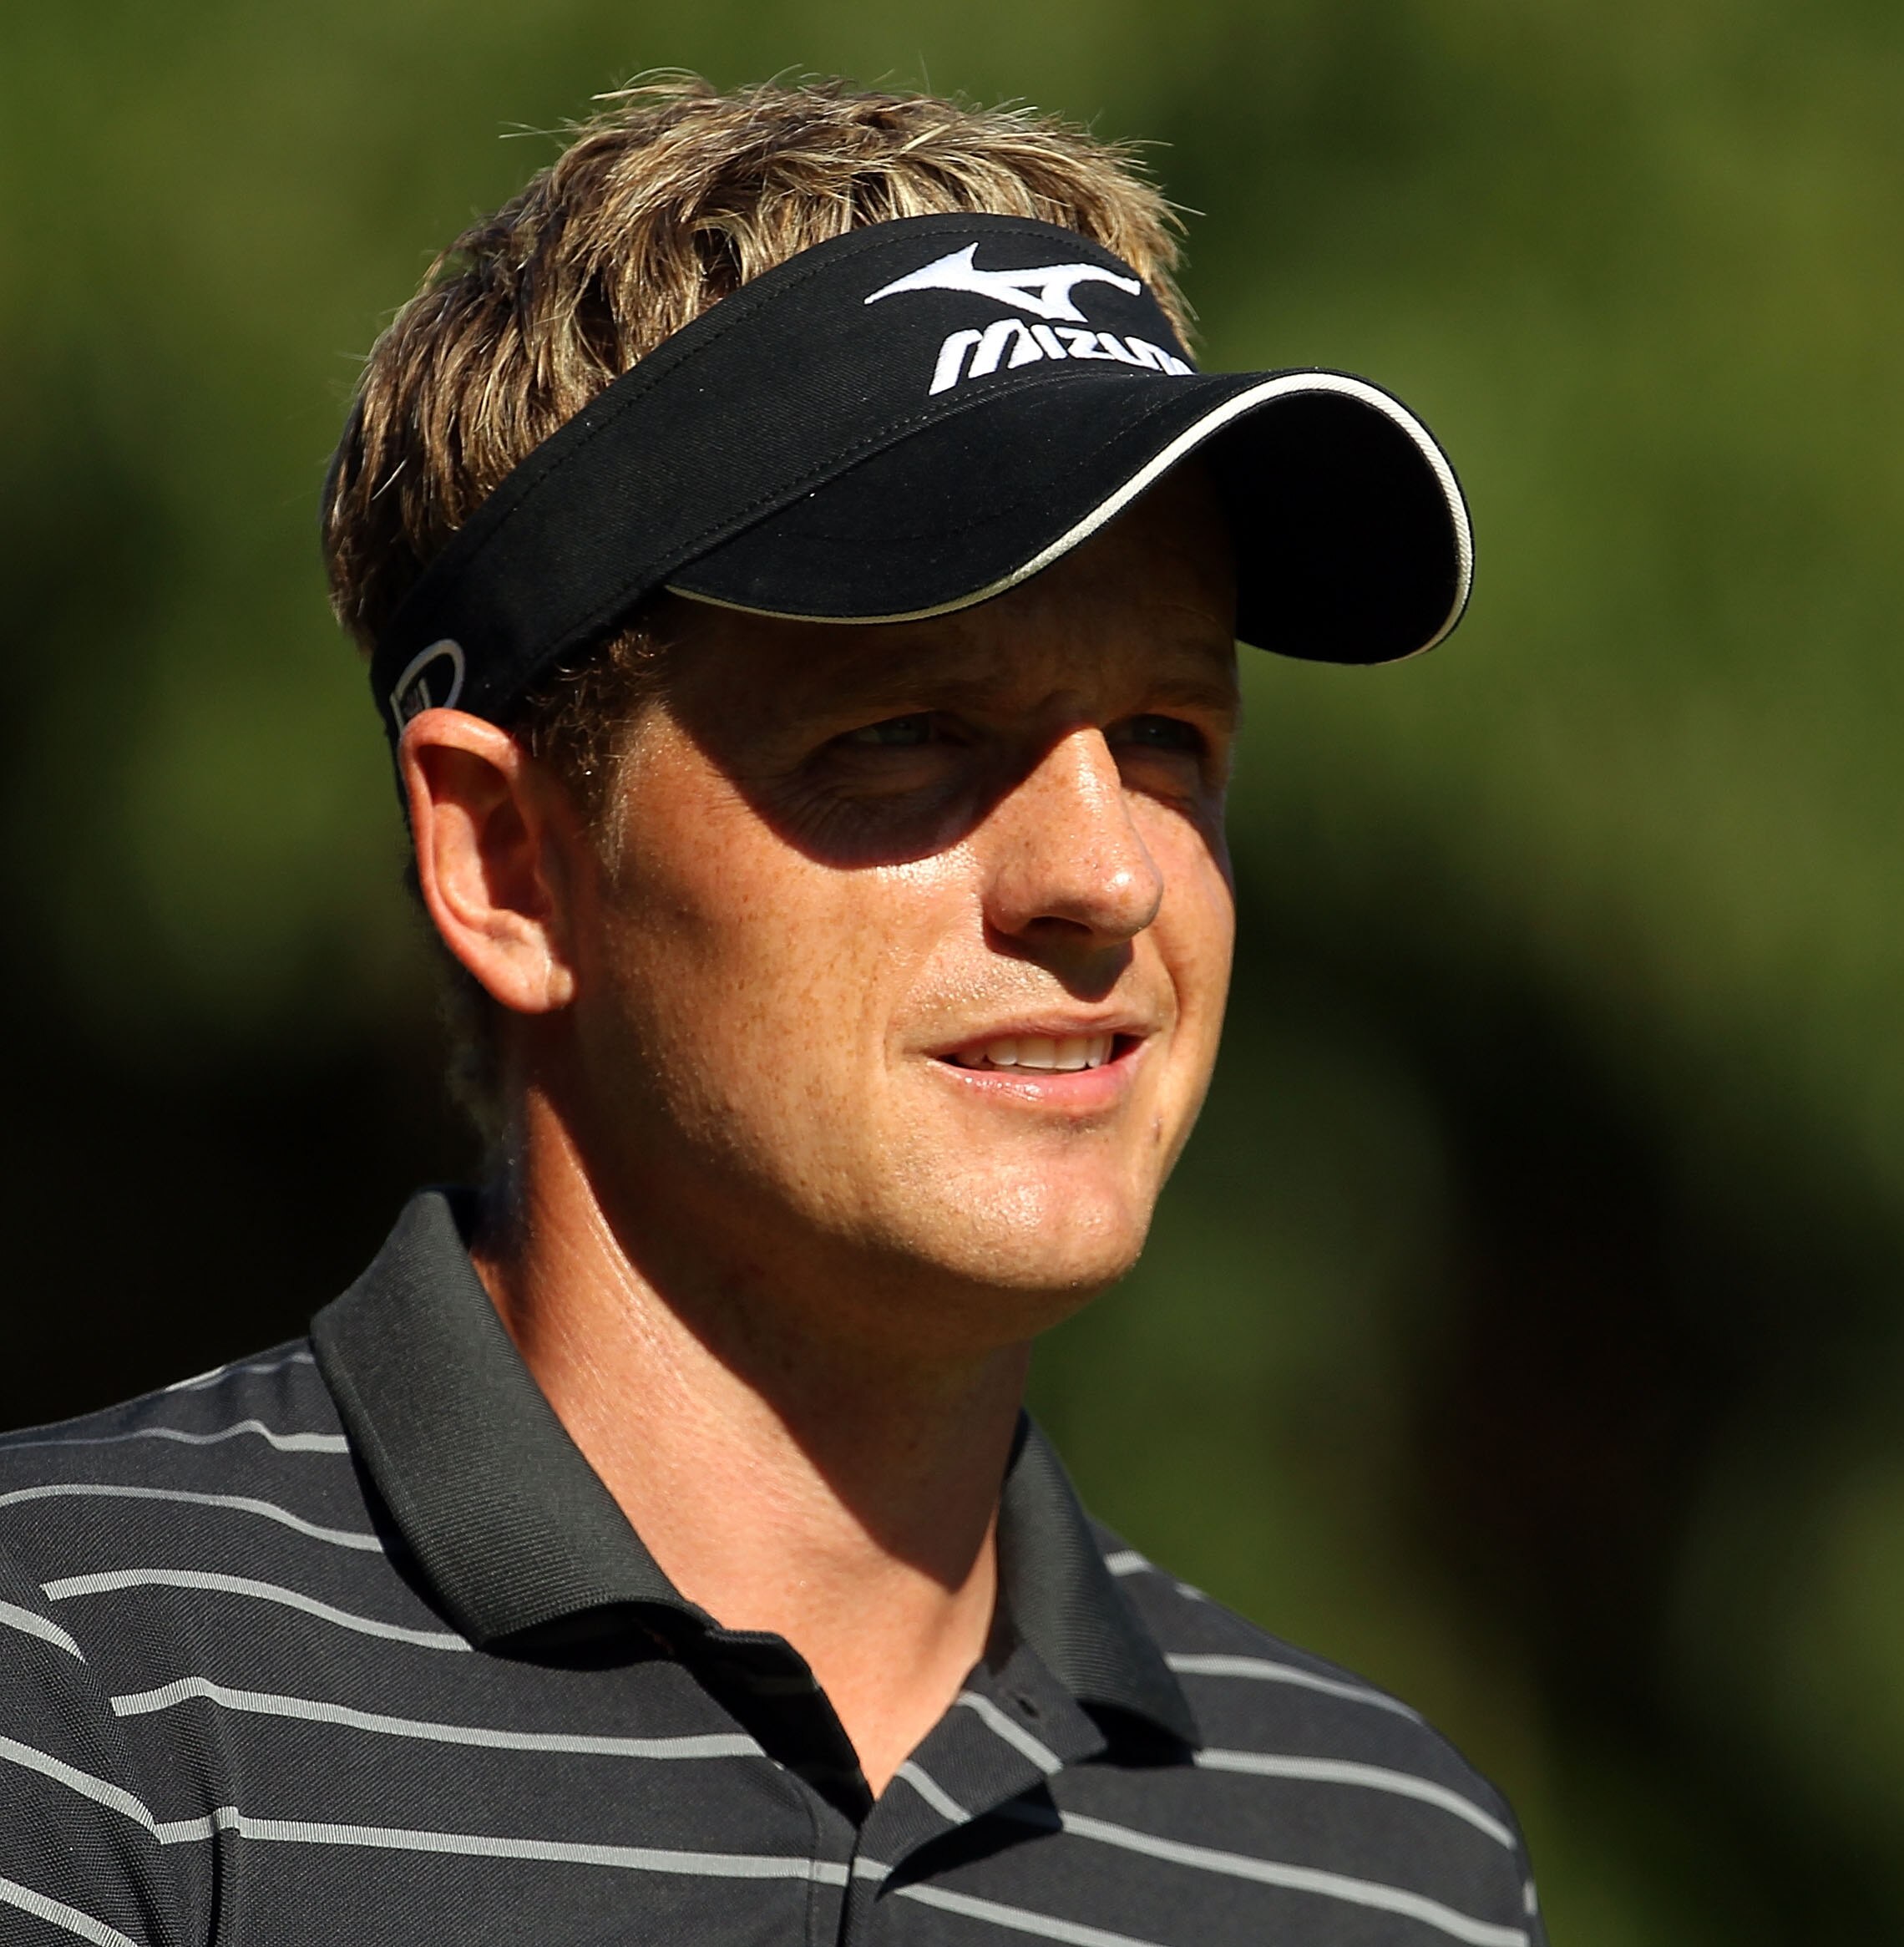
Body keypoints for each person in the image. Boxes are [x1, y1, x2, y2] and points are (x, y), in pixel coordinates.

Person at [0, 79, 1537, 1947]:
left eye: (1166, 736)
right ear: (505, 860)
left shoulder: (1378, 1864)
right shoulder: (81, 1696)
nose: (1106, 871)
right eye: (907, 734)